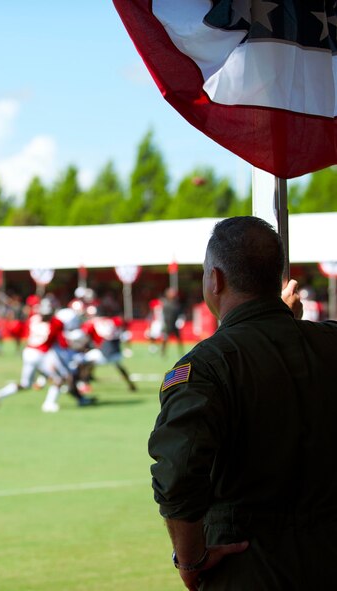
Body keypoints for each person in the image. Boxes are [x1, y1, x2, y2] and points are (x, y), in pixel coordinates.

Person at [148, 216, 337, 590]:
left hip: (250, 565)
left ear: (215, 279)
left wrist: (190, 558)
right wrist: (286, 326)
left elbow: (178, 474)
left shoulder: (205, 367)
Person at [160, 287, 184, 358]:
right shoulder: (165, 303)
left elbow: (179, 313)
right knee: (165, 340)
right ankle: (163, 353)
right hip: (167, 325)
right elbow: (164, 315)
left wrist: (180, 319)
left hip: (174, 324)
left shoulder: (176, 303)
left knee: (179, 339)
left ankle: (181, 353)